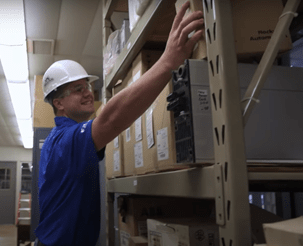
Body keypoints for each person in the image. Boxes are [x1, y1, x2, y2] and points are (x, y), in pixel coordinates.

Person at [34, 2, 204, 245]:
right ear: (59, 103)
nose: (88, 93)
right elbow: (111, 118)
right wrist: (168, 62)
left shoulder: (66, 140)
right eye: (77, 89)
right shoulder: (63, 141)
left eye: (88, 87)